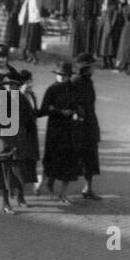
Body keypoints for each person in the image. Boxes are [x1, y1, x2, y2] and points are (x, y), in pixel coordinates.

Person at [0, 73, 37, 213]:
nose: (10, 87)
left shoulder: (22, 99)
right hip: (2, 142)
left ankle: (19, 195)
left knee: (19, 173)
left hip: (18, 142)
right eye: (8, 85)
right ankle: (5, 203)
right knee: (4, 175)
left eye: (14, 85)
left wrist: (25, 134)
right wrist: (2, 134)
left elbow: (29, 119)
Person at [36, 61, 84, 203]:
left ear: (69, 76)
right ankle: (43, 182)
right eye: (59, 74)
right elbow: (44, 109)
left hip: (69, 129)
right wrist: (59, 111)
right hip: (55, 129)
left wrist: (76, 112)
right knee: (51, 158)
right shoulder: (51, 89)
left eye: (65, 75)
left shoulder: (73, 89)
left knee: (68, 162)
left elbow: (78, 106)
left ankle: (63, 193)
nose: (62, 77)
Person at [69, 53, 103, 200]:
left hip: (89, 123)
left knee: (90, 156)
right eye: (92, 66)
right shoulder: (75, 81)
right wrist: (77, 111)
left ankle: (88, 188)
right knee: (68, 156)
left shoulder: (88, 81)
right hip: (78, 125)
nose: (94, 68)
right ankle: (45, 181)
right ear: (86, 67)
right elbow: (69, 100)